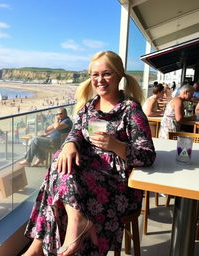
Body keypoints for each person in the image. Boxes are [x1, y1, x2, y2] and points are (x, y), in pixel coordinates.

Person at [22, 51, 156, 256]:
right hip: (86, 174)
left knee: (60, 178)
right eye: (95, 75)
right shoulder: (88, 108)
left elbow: (147, 154)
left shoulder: (131, 110)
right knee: (62, 163)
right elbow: (74, 133)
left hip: (117, 182)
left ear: (119, 76)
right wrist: (69, 145)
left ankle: (38, 245)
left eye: (106, 74)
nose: (99, 80)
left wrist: (116, 145)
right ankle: (71, 226)